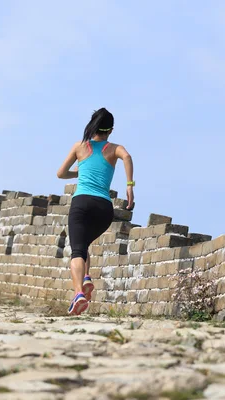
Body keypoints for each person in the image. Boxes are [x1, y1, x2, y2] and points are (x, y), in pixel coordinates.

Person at [56, 108, 134, 315]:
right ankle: (87, 277)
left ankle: (78, 293)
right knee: (84, 244)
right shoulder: (115, 149)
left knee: (77, 250)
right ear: (111, 130)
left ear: (93, 125)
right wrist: (129, 185)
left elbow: (60, 173)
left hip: (81, 203)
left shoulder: (80, 147)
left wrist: (78, 173)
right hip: (103, 208)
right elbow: (127, 156)